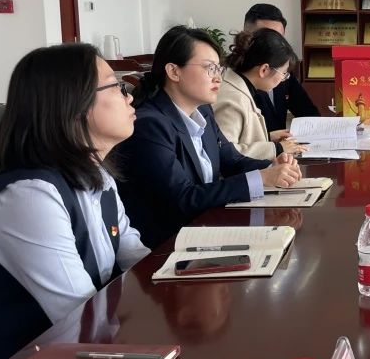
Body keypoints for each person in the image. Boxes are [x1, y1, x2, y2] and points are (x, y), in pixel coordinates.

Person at [0, 44, 150, 359]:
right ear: (75, 104)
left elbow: (134, 256)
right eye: (117, 86)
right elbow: (81, 314)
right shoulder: (30, 197)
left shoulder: (98, 177)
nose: (130, 96)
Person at [113, 26, 301, 248]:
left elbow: (231, 160)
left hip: (206, 228)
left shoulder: (202, 110)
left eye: (219, 69)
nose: (218, 78)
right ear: (174, 72)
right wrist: (261, 178)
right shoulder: (150, 125)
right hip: (168, 245)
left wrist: (272, 167)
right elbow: (183, 198)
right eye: (209, 68)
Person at [214, 28, 307, 160]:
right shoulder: (232, 98)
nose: (283, 79)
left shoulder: (238, 85)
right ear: (264, 70)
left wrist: (268, 137)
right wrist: (277, 148)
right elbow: (224, 153)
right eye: (284, 73)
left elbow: (238, 139)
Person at [243, 3, 320, 131]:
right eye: (266, 38)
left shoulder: (283, 71)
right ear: (246, 35)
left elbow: (308, 113)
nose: (274, 45)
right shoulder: (238, 81)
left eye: (279, 39)